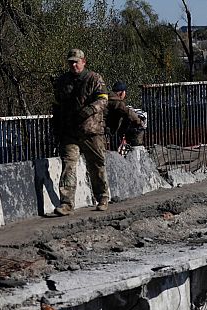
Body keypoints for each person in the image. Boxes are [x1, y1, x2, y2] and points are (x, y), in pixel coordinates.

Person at [51, 48, 110, 215]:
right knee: (68, 165)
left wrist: (89, 110)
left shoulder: (94, 78)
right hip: (70, 131)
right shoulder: (63, 81)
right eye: (71, 62)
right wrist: (57, 125)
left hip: (91, 130)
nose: (74, 65)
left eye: (76, 62)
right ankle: (66, 203)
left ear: (84, 62)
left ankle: (103, 198)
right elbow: (57, 104)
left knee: (96, 165)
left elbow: (103, 100)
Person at [106, 81, 145, 152]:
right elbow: (128, 112)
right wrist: (140, 121)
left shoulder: (108, 99)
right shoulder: (116, 102)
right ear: (121, 93)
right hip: (107, 131)